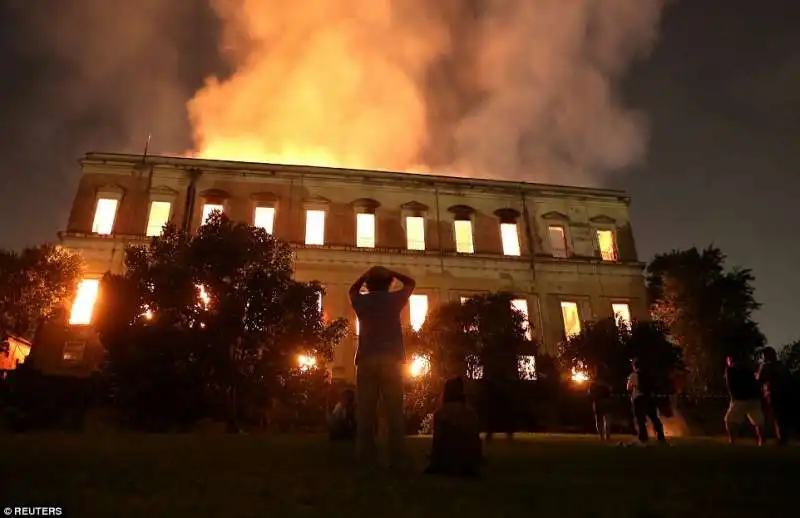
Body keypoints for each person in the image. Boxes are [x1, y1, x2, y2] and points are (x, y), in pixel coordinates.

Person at [349, 265, 416, 468]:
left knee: (366, 412)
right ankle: (397, 459)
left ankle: (365, 458)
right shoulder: (394, 300)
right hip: (391, 359)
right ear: (389, 283)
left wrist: (365, 274)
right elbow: (411, 283)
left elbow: (352, 290)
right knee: (394, 411)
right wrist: (392, 271)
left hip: (367, 358)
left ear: (368, 284)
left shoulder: (362, 301)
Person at [425, 376, 483, 477]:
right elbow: (476, 439)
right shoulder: (471, 413)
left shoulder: (440, 413)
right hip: (468, 462)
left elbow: (437, 441)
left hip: (447, 461)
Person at [724, 356, 765, 445]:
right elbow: (756, 382)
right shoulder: (748, 369)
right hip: (754, 399)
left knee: (729, 420)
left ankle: (732, 440)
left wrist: (733, 397)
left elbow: (729, 385)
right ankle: (761, 441)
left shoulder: (731, 369)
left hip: (740, 399)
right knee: (758, 421)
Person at [757, 347, 793, 445]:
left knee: (776, 417)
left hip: (773, 395)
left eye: (764, 355)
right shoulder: (782, 366)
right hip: (785, 394)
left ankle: (780, 439)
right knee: (781, 417)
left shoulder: (767, 367)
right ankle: (783, 438)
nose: (763, 358)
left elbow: (759, 380)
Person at [627, 358, 666, 444]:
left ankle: (643, 437)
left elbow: (629, 388)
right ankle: (660, 436)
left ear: (634, 366)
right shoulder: (647, 375)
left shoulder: (633, 375)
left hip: (638, 398)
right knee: (654, 418)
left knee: (640, 419)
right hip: (649, 398)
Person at [588, 368, 612, 441]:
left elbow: (590, 392)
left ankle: (601, 436)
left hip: (598, 402)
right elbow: (610, 391)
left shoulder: (593, 382)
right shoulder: (606, 381)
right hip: (605, 401)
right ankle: (607, 435)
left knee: (599, 420)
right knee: (606, 419)